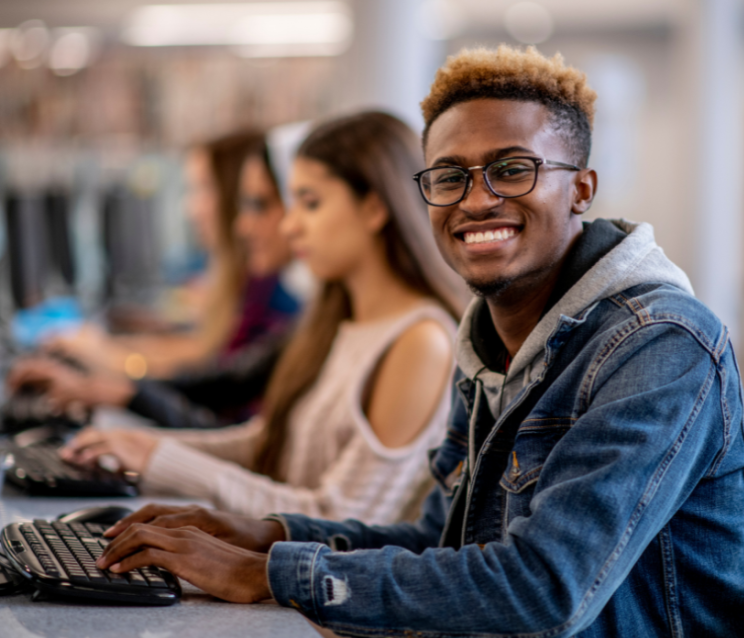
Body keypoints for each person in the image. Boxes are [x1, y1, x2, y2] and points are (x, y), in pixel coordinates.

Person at [94, 46, 744, 638]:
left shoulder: (658, 347)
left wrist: (272, 573)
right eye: (450, 177)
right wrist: (270, 534)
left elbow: (542, 591)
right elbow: (440, 543)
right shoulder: (493, 343)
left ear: (581, 188)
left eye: (512, 169)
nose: (477, 199)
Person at [59, 111, 467, 524]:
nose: (289, 226)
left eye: (310, 203)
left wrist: (160, 459)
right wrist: (143, 447)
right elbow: (268, 443)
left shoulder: (420, 340)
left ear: (375, 208)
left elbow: (340, 520)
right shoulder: (341, 321)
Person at [9, 131, 304, 427]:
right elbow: (215, 375)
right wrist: (114, 377)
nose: (190, 208)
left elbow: (213, 382)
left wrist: (116, 368)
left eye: (202, 189)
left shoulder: (275, 296)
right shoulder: (266, 291)